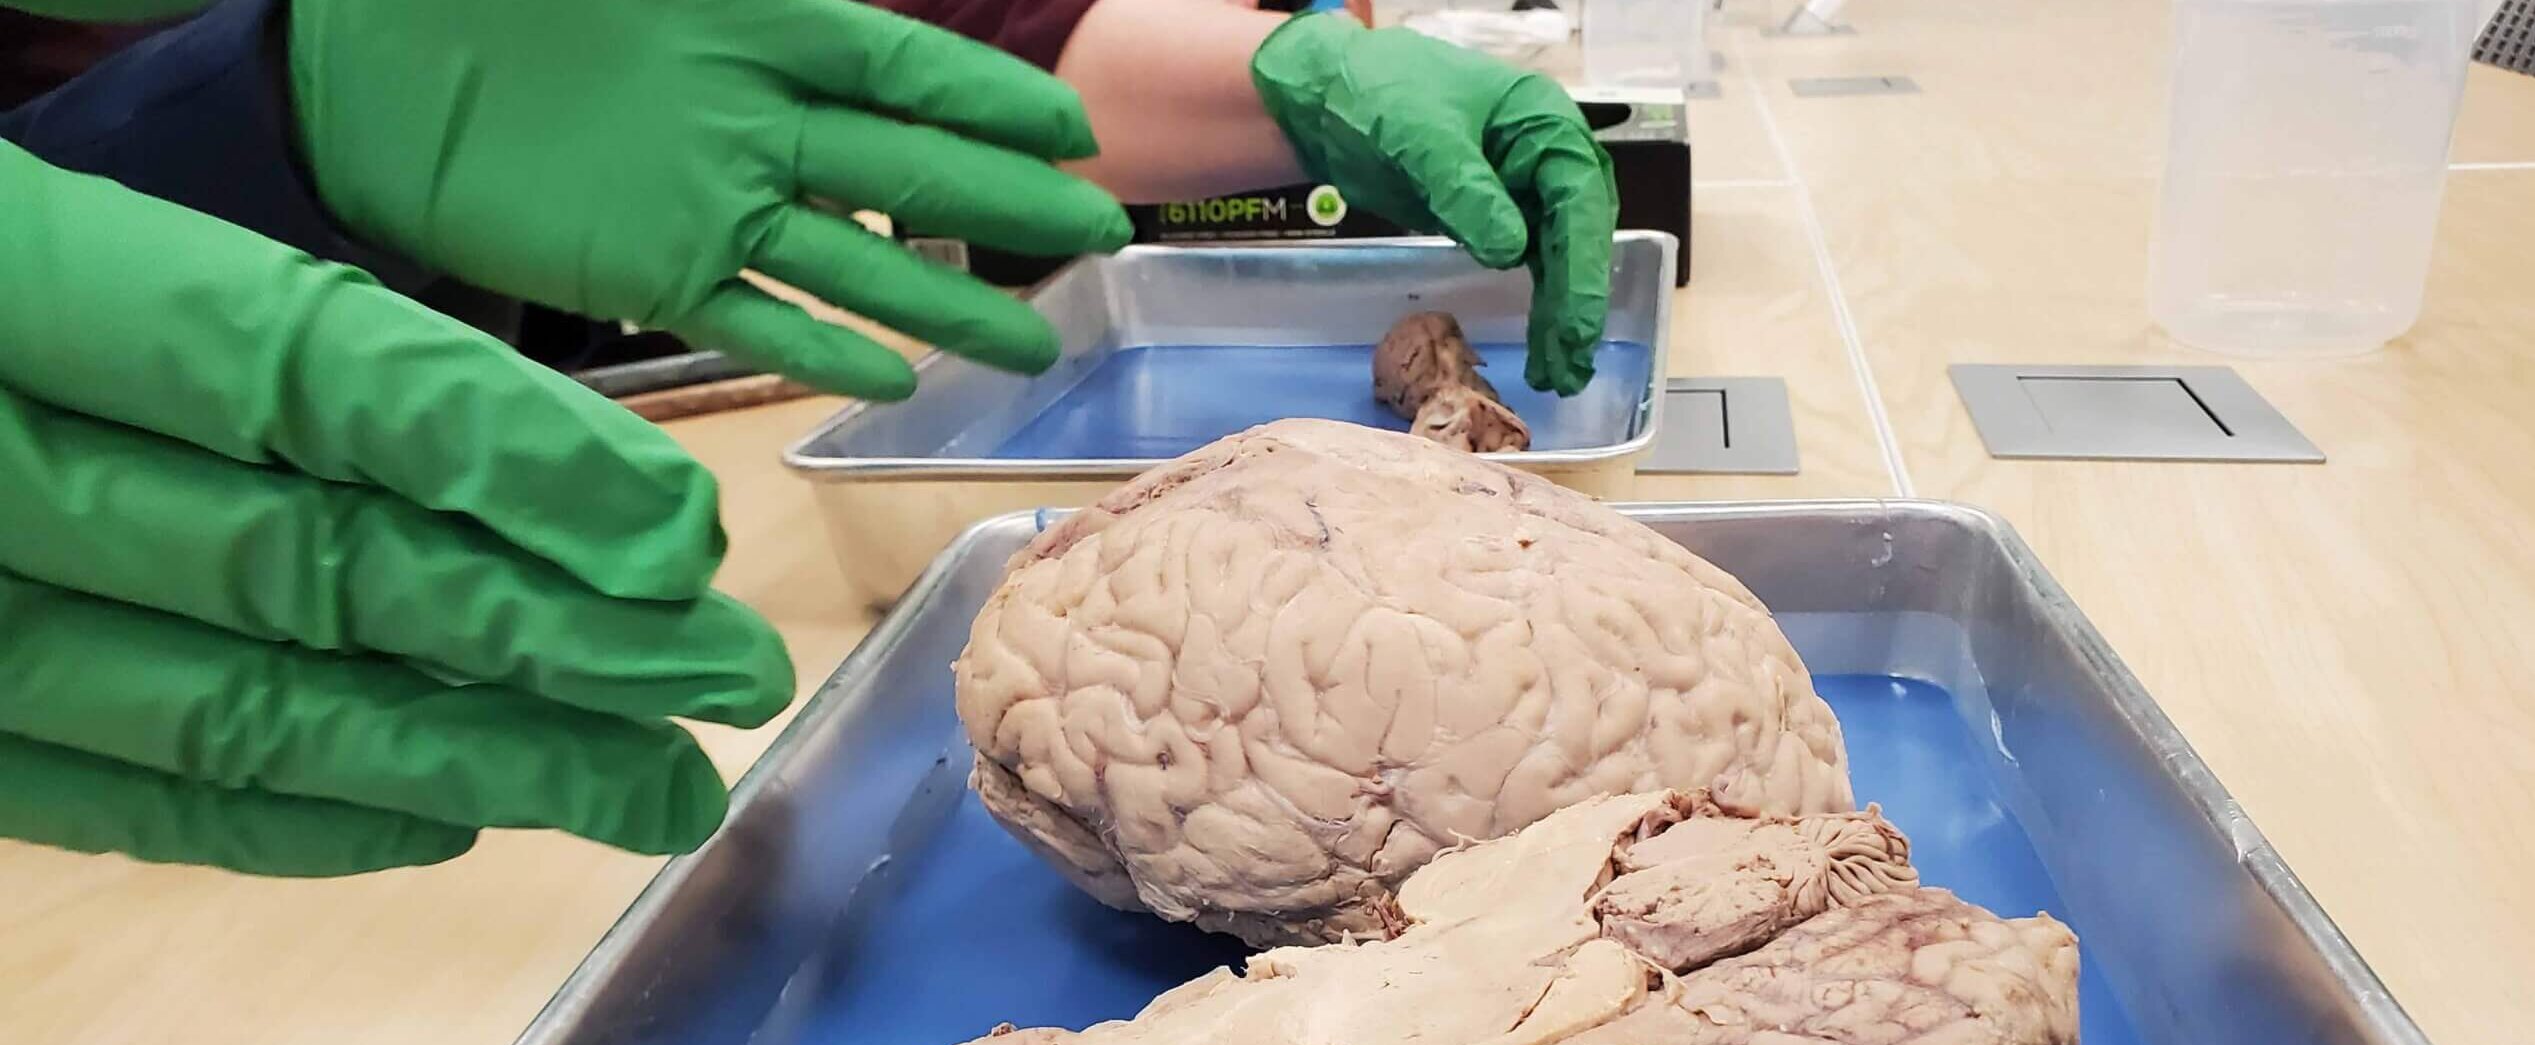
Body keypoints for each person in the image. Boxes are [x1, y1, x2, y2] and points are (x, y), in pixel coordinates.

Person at [0, 0, 1616, 875]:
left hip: (412, 487)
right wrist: (240, 106)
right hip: (145, 584)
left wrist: (1293, 76)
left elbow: (916, 42)